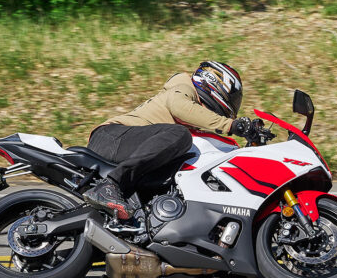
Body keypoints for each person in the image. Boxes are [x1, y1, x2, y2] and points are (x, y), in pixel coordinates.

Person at [83, 61, 259, 219]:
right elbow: (179, 108)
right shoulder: (183, 88)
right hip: (110, 137)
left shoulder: (191, 113)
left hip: (125, 143)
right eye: (234, 98)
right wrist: (231, 125)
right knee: (180, 135)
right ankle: (110, 186)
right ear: (216, 83)